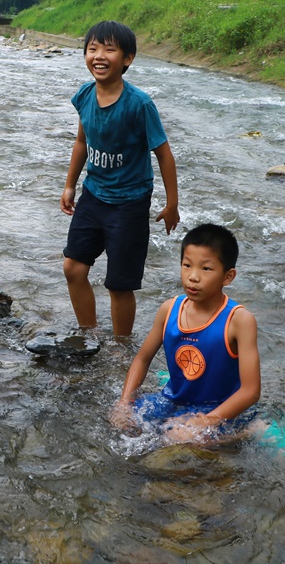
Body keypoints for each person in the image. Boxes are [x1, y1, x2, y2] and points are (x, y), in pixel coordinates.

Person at [60, 20, 180, 337]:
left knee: (119, 284)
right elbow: (82, 142)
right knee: (73, 267)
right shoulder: (85, 96)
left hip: (129, 205)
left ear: (127, 59)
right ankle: (88, 333)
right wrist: (70, 183)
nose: (99, 56)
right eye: (92, 48)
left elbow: (164, 154)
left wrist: (172, 205)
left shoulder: (139, 105)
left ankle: (120, 345)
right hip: (93, 196)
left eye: (109, 49)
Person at [111, 224, 260, 443]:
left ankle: (249, 431)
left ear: (227, 277)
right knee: (121, 424)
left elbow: (251, 391)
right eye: (187, 265)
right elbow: (142, 359)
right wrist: (124, 404)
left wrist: (206, 421)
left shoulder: (239, 320)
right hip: (173, 398)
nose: (193, 277)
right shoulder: (169, 309)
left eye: (206, 269)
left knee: (178, 443)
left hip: (218, 408)